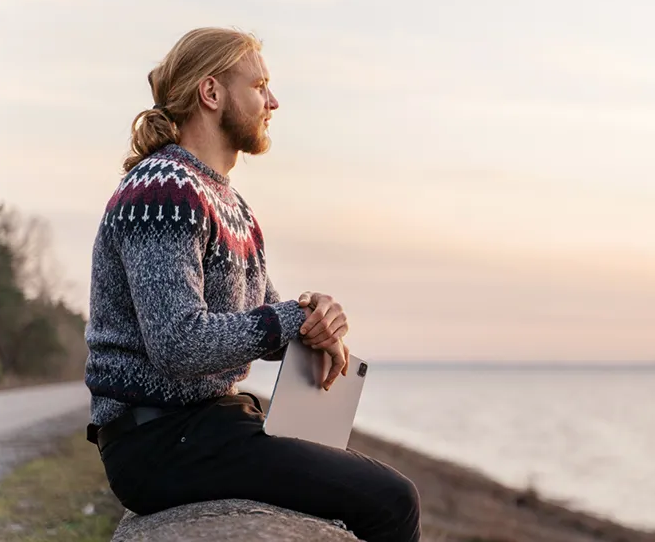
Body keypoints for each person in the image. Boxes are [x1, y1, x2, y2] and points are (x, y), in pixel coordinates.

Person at [83, 27, 421, 542]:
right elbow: (178, 342)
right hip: (158, 440)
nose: (274, 101)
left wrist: (316, 321)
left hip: (204, 426)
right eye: (260, 85)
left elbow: (262, 315)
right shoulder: (163, 191)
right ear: (212, 93)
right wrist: (289, 321)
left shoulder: (229, 204)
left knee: (365, 490)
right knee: (393, 501)